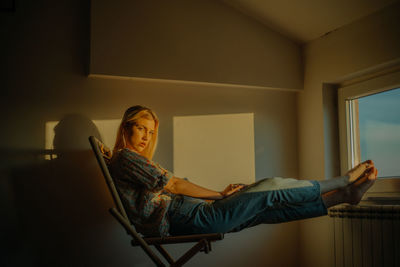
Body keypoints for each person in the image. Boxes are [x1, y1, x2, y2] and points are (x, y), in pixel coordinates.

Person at [109, 105, 378, 237]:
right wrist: (218, 195)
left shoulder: (127, 160)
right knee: (270, 187)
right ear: (126, 128)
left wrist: (219, 196)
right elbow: (175, 185)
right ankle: (343, 181)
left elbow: (173, 189)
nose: (146, 136)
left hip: (192, 213)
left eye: (151, 131)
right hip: (192, 218)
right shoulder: (125, 159)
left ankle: (344, 196)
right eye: (141, 128)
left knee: (267, 209)